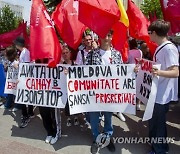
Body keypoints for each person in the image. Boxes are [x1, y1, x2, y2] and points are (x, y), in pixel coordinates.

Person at [85, 30, 123, 154]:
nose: (106, 38)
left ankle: (107, 137)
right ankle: (96, 138)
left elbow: (123, 72)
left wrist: (134, 70)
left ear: (112, 37)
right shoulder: (91, 54)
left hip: (110, 93)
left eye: (108, 35)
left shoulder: (117, 54)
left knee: (108, 117)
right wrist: (70, 73)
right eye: (103, 35)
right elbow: (84, 71)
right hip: (95, 93)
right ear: (99, 37)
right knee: (94, 118)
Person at [147, 20, 179, 154]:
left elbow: (176, 72)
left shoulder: (169, 48)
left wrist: (158, 72)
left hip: (162, 95)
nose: (148, 36)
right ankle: (156, 145)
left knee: (159, 124)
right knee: (153, 121)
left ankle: (160, 150)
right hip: (157, 92)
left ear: (154, 33)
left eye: (149, 33)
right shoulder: (162, 47)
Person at [13, 36, 35, 128]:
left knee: (22, 97)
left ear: (18, 44)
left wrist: (17, 66)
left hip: (24, 78)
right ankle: (30, 112)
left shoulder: (25, 52)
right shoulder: (24, 52)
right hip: (25, 78)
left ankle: (25, 116)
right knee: (27, 96)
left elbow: (26, 66)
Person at [61, 45, 79, 126]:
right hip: (65, 88)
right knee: (67, 103)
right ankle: (68, 118)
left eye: (67, 52)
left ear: (70, 53)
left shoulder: (75, 64)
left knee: (74, 103)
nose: (65, 54)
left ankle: (76, 116)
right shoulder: (61, 66)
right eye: (63, 53)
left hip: (74, 88)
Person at [0, 46, 19, 111]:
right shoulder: (9, 61)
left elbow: (20, 70)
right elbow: (6, 69)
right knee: (10, 92)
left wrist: (16, 67)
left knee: (16, 93)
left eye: (6, 52)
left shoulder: (16, 62)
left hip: (15, 81)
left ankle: (18, 106)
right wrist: (6, 67)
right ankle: (8, 104)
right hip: (10, 81)